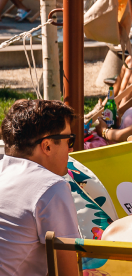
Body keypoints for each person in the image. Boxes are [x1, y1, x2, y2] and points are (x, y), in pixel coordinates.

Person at [0, 99, 79, 276]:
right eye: (69, 140)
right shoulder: (51, 187)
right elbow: (68, 272)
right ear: (47, 146)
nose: (71, 150)